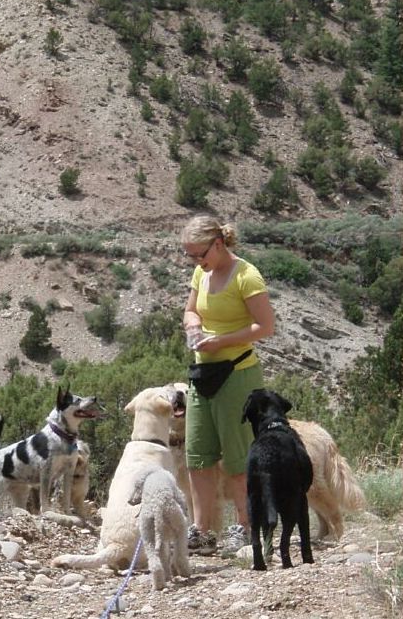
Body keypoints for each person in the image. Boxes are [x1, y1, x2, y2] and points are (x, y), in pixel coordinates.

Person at [181, 214, 275, 556]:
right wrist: (193, 326)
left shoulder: (247, 275)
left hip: (237, 374)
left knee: (238, 459)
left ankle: (247, 527)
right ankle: (202, 531)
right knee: (198, 455)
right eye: (190, 256)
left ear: (218, 244)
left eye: (199, 254)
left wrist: (220, 341)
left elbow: (265, 327)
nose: (195, 261)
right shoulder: (201, 273)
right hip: (203, 372)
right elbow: (191, 310)